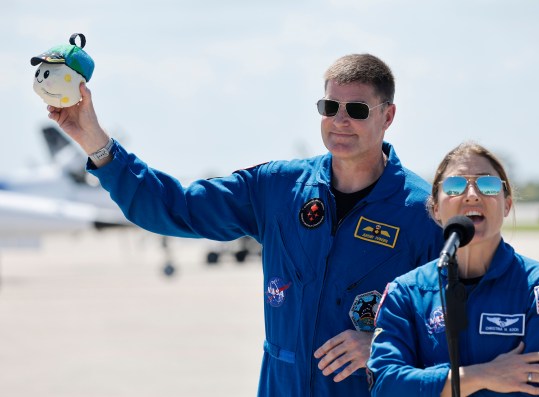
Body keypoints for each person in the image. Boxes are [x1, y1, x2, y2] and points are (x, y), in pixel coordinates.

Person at [47, 53, 444, 396]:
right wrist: (94, 140)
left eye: (356, 110)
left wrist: (382, 345)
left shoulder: (423, 212)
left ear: (388, 116)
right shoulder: (277, 189)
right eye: (329, 107)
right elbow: (174, 207)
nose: (339, 121)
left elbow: (461, 325)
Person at [367, 141, 539, 396]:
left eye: (488, 185)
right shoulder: (406, 292)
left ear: (507, 205)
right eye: (456, 185)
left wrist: (429, 384)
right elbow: (387, 385)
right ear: (436, 208)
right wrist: (485, 375)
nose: (472, 194)